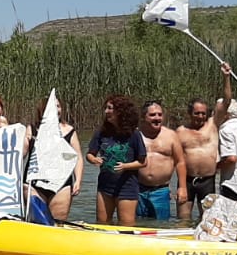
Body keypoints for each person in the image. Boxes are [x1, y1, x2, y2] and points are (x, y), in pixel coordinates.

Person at [198, 63, 237, 242]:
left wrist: (216, 167)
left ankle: (228, 247)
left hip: (233, 185)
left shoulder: (226, 130)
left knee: (226, 224)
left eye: (217, 111)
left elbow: (231, 158)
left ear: (225, 114)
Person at [85, 94, 146, 223]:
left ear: (121, 111)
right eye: (106, 108)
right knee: (102, 223)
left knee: (126, 225)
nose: (106, 111)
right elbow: (89, 154)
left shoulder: (134, 134)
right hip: (105, 185)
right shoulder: (101, 133)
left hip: (127, 186)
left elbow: (143, 162)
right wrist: (93, 159)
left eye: (110, 108)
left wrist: (125, 166)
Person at [26, 96, 84, 222]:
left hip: (61, 184)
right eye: (52, 106)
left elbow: (77, 157)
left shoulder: (69, 131)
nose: (56, 109)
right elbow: (20, 154)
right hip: (35, 183)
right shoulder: (32, 129)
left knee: (58, 223)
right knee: (37, 221)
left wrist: (78, 180)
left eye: (58, 106)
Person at [136, 100, 187, 221]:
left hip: (161, 191)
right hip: (137, 189)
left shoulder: (171, 135)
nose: (157, 118)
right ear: (143, 117)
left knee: (161, 224)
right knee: (136, 223)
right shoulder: (135, 134)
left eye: (160, 114)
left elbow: (180, 162)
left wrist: (182, 187)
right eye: (152, 115)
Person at [175, 96, 219, 221]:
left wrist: (226, 78)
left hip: (207, 180)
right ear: (190, 113)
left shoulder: (212, 125)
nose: (200, 116)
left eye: (203, 113)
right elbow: (176, 160)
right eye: (197, 113)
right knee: (183, 218)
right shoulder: (180, 131)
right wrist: (180, 187)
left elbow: (226, 102)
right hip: (187, 180)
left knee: (208, 219)